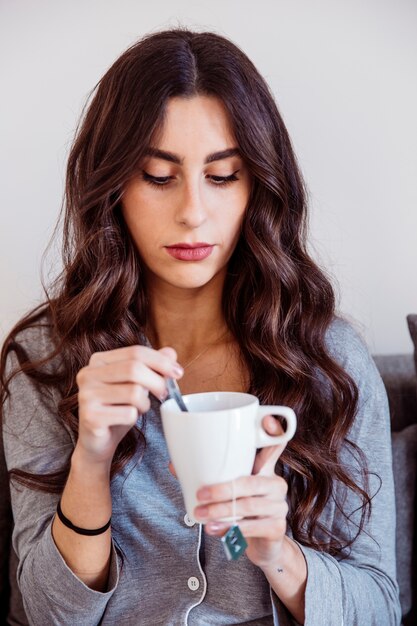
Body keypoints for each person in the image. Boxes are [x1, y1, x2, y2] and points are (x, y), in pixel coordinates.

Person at [0, 28, 401, 626]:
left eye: (223, 176)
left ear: (259, 187)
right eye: (159, 177)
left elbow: (379, 609)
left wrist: (277, 554)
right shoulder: (48, 359)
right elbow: (49, 615)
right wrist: (90, 458)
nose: (192, 211)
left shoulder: (328, 359)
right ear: (112, 190)